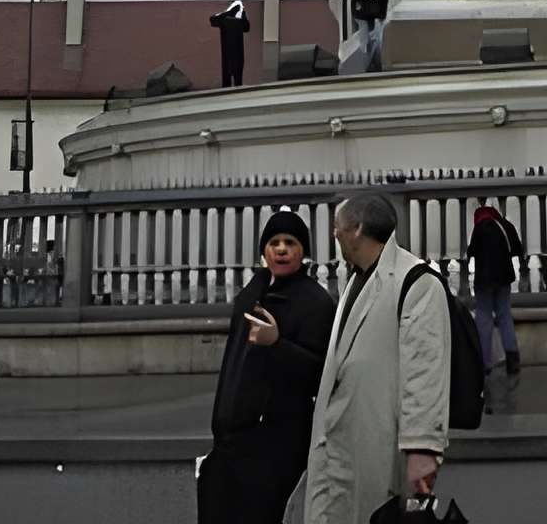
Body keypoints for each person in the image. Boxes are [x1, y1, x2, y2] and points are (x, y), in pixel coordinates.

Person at [300, 188, 451, 524]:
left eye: (338, 226)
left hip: (379, 441)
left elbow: (426, 369)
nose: (335, 234)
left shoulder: (417, 282)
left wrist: (423, 448)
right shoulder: (356, 280)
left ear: (357, 229)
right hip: (342, 438)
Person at [199, 208, 335, 523]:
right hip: (232, 437)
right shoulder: (251, 295)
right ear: (264, 251)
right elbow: (233, 366)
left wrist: (277, 344)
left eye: (290, 243)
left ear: (303, 251)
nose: (281, 249)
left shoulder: (315, 302)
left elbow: (320, 374)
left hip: (276, 441)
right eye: (274, 243)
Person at [467, 201, 524, 380]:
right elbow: (517, 248)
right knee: (504, 315)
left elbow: (471, 252)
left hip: (484, 281)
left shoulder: (479, 229)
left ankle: (484, 363)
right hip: (504, 279)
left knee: (484, 318)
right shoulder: (505, 225)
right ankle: (512, 359)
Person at [211, 0, 249, 90]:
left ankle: (228, 89)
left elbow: (213, 20)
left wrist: (229, 12)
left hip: (228, 49)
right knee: (236, 72)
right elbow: (246, 27)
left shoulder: (225, 17)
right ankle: (237, 88)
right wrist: (240, 13)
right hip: (236, 49)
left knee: (229, 72)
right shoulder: (236, 18)